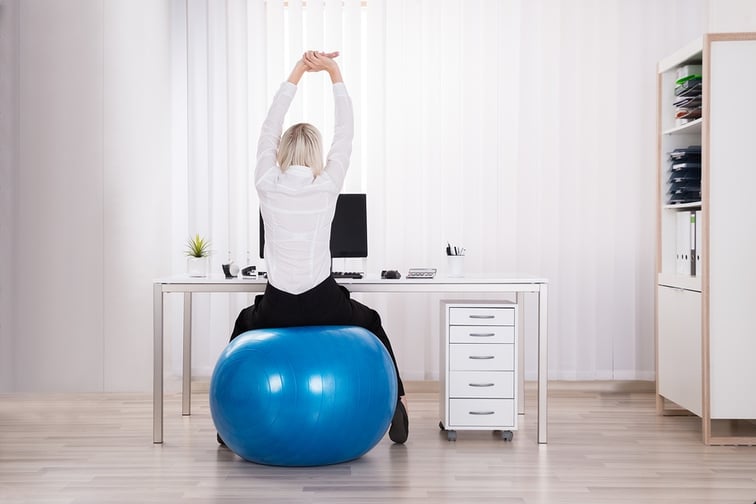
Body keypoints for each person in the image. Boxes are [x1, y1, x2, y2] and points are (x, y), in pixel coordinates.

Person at [227, 51, 409, 445]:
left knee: (242, 324)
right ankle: (396, 405)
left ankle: (227, 428)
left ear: (281, 154)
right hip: (323, 303)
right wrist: (333, 73)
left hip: (276, 306)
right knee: (372, 320)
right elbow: (346, 132)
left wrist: (296, 71)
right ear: (314, 155)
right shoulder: (326, 187)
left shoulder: (266, 182)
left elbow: (267, 129)